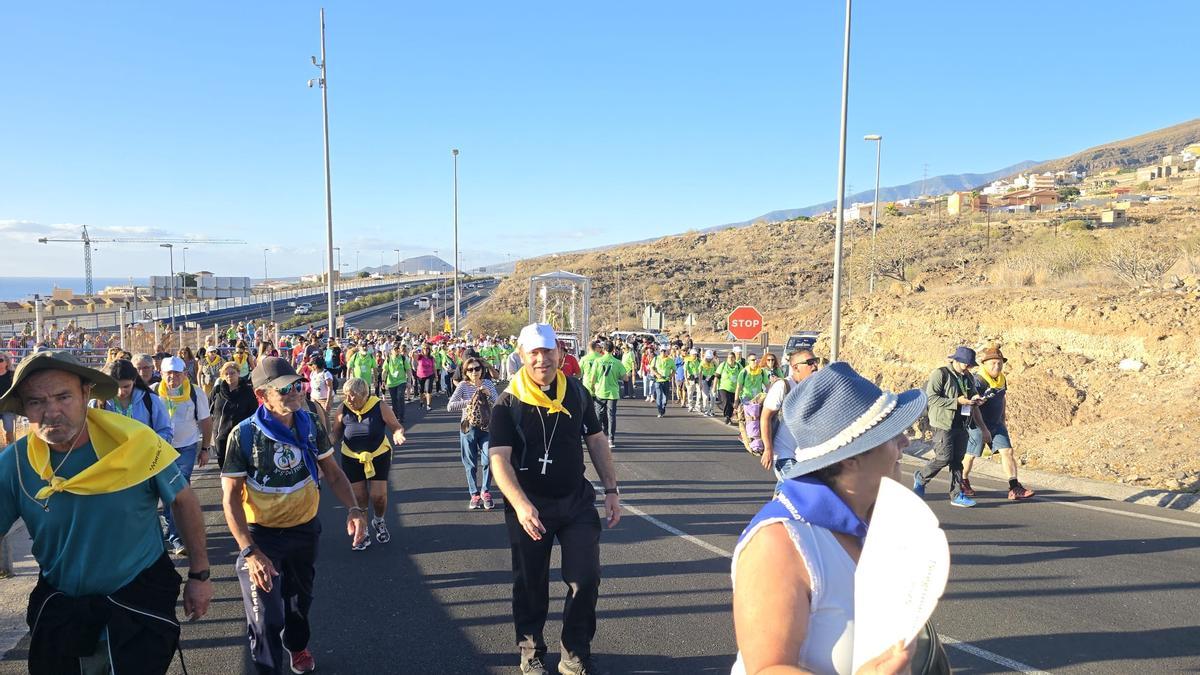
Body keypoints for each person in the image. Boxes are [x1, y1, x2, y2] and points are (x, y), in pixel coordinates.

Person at [0, 351, 212, 674]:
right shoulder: (14, 464)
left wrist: (199, 574)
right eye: (35, 402)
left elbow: (183, 501)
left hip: (138, 606)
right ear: (24, 409)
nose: (51, 412)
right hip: (64, 612)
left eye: (63, 396)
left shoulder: (135, 442)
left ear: (86, 394)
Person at [731, 362, 926, 675]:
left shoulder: (877, 521)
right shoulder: (779, 542)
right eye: (891, 434)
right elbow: (767, 669)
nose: (905, 442)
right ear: (851, 458)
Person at [221, 357, 370, 674]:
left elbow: (332, 472)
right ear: (263, 396)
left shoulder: (312, 422)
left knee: (299, 604)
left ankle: (298, 646)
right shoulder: (243, 435)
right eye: (285, 389)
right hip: (261, 537)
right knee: (265, 618)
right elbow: (230, 498)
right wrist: (249, 550)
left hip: (303, 531)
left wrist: (354, 508)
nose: (296, 392)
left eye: (298, 385)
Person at [488, 324, 621, 675]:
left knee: (586, 577)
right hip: (530, 507)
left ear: (559, 353)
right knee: (531, 583)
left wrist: (611, 489)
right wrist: (519, 503)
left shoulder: (576, 392)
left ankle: (574, 652)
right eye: (533, 352)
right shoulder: (508, 403)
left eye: (547, 351)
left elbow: (595, 441)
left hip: (575, 501)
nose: (541, 359)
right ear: (521, 354)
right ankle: (530, 651)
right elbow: (499, 458)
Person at [331, 377, 406, 549]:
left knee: (378, 497)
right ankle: (362, 532)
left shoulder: (379, 406)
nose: (349, 399)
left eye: (352, 396)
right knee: (359, 497)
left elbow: (396, 426)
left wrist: (397, 434)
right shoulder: (343, 408)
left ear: (364, 395)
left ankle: (378, 521)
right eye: (346, 395)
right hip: (351, 456)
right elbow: (336, 433)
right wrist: (325, 444)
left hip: (378, 454)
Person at [913, 346, 986, 508]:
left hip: (962, 423)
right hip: (942, 423)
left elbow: (972, 393)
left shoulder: (968, 376)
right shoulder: (940, 374)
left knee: (957, 461)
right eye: (966, 364)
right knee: (943, 457)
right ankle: (921, 478)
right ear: (956, 360)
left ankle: (956, 494)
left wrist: (976, 399)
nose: (969, 367)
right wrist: (956, 402)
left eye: (970, 364)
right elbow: (931, 399)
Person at [962, 346, 1034, 501]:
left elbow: (1002, 398)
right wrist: (983, 429)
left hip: (996, 423)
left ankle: (1014, 487)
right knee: (970, 455)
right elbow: (973, 407)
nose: (997, 366)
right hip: (977, 424)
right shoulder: (978, 381)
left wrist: (1003, 418)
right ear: (984, 364)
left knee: (1007, 451)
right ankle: (963, 481)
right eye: (993, 363)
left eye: (1000, 363)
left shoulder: (1001, 378)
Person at [157, 356, 213, 554]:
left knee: (177, 490)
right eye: (169, 373)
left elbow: (206, 422)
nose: (173, 377)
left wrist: (205, 449)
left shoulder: (196, 393)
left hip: (186, 448)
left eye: (177, 373)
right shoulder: (154, 392)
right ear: (161, 374)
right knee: (164, 492)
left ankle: (175, 537)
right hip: (160, 449)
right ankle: (169, 526)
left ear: (185, 374)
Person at [759, 349, 820, 490]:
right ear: (795, 367)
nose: (815, 366)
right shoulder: (783, 386)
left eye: (815, 361)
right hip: (783, 454)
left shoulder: (813, 388)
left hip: (805, 456)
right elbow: (765, 417)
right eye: (810, 363)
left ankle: (776, 509)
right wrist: (768, 449)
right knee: (798, 488)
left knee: (788, 494)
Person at [448, 356, 499, 510]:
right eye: (470, 369)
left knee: (488, 459)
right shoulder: (463, 386)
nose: (474, 372)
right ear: (466, 372)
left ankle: (485, 491)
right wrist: (469, 401)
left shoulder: (488, 383)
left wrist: (488, 394)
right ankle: (474, 494)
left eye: (477, 368)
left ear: (482, 370)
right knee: (470, 463)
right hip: (468, 428)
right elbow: (450, 406)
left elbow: (498, 404)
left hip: (486, 427)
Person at [96, 358, 174, 443]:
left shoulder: (150, 400)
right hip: (111, 455)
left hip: (143, 454)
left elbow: (166, 431)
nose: (120, 392)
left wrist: (149, 443)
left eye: (126, 386)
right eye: (115, 387)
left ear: (134, 380)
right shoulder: (97, 402)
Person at [209, 360, 258, 468]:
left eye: (232, 373)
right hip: (220, 434)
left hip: (241, 434)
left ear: (238, 373)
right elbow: (209, 410)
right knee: (223, 465)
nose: (229, 376)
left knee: (243, 465)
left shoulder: (247, 391)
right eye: (226, 373)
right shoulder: (217, 390)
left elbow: (254, 412)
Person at [584, 341, 626, 448]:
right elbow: (625, 377)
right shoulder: (617, 362)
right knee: (611, 416)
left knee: (598, 414)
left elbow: (592, 377)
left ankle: (596, 438)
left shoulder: (598, 361)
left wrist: (593, 387)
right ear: (613, 350)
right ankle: (611, 439)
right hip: (612, 393)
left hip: (600, 391)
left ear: (604, 349)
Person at [384, 343, 411, 426]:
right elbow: (384, 371)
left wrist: (409, 381)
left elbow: (408, 370)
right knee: (394, 400)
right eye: (395, 350)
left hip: (401, 381)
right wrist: (383, 381)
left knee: (400, 397)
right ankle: (395, 415)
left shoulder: (403, 358)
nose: (397, 351)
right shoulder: (388, 359)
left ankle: (401, 416)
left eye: (398, 349)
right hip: (391, 382)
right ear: (391, 351)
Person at [308, 355, 335, 429]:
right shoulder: (313, 373)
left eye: (312, 364)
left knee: (325, 417)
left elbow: (330, 388)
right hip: (314, 398)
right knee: (316, 416)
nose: (311, 366)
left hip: (324, 399)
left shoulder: (326, 374)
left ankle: (328, 434)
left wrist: (327, 402)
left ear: (316, 365)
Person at [716, 350, 742, 425]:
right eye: (729, 357)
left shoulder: (738, 366)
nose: (730, 359)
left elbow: (743, 375)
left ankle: (729, 417)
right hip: (723, 387)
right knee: (726, 401)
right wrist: (714, 387)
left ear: (734, 358)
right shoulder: (723, 365)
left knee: (732, 404)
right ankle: (727, 416)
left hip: (734, 389)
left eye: (732, 357)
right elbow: (717, 376)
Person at [652, 345, 675, 418]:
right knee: (659, 395)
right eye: (662, 351)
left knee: (665, 397)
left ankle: (663, 407)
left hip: (666, 380)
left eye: (664, 351)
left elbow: (674, 369)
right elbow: (652, 368)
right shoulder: (656, 358)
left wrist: (671, 376)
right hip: (658, 381)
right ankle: (660, 411)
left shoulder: (670, 360)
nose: (663, 352)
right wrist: (657, 374)